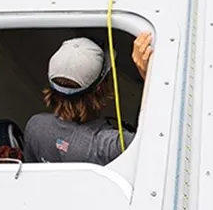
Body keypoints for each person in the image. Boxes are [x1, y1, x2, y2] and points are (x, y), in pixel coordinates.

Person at [23, 33, 153, 164]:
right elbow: (156, 141)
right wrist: (150, 77)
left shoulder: (35, 126)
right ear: (100, 88)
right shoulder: (107, 145)